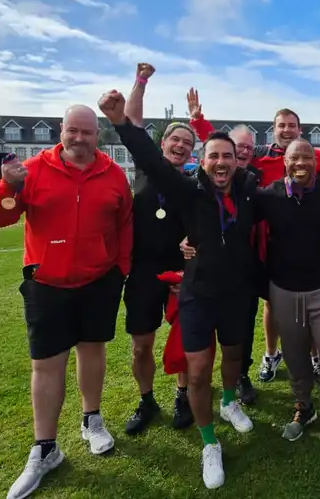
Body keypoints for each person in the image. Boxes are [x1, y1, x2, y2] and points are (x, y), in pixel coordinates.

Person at [99, 64, 256, 490]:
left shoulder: (248, 190)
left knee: (234, 359)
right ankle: (209, 443)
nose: (221, 162)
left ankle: (228, 403)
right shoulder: (190, 191)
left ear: (236, 163)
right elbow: (151, 159)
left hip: (238, 293)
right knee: (199, 370)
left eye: (228, 156)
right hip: (199, 294)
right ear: (202, 164)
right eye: (214, 157)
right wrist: (120, 124)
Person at [0, 105, 133, 499]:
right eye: (72, 131)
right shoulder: (32, 170)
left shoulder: (113, 174)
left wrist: (120, 268)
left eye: (87, 132)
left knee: (92, 351)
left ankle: (91, 419)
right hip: (46, 283)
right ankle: (45, 448)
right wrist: (6, 188)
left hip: (99, 281)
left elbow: (124, 223)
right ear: (60, 132)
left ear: (97, 136)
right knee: (47, 365)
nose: (79, 138)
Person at [179, 94, 265, 406]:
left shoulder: (253, 180)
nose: (240, 152)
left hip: (249, 268)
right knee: (201, 350)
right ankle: (198, 389)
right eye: (235, 147)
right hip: (206, 279)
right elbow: (213, 148)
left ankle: (241, 376)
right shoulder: (200, 184)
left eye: (245, 148)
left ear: (251, 152)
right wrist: (183, 240)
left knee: (242, 330)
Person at [121, 113, 200, 436]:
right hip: (142, 271)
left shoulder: (191, 186)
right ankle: (146, 400)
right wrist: (140, 84)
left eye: (187, 143)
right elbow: (133, 126)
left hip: (181, 274)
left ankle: (182, 396)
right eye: (175, 140)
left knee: (182, 341)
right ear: (163, 144)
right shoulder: (143, 172)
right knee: (141, 345)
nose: (180, 146)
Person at [251, 109, 320, 384]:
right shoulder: (259, 156)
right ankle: (271, 353)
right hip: (266, 239)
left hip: (304, 237)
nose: (287, 130)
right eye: (281, 126)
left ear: (300, 130)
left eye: (292, 126)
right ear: (273, 129)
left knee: (311, 302)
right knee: (273, 304)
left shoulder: (315, 155)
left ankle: (314, 357)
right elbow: (228, 148)